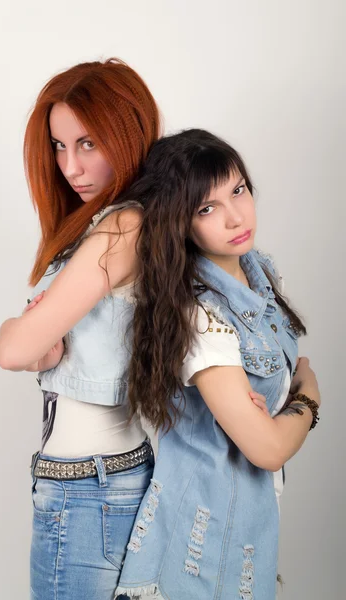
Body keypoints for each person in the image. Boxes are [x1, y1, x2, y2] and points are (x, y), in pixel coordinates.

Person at [114, 129, 321, 599]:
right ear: (179, 222)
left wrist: (272, 415)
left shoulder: (260, 272)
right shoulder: (197, 313)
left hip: (244, 544)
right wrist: (309, 393)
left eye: (238, 191)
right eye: (206, 209)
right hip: (195, 562)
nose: (234, 217)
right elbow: (267, 448)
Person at [0, 58, 161, 600]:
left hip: (87, 491)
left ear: (128, 131)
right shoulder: (117, 223)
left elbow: (13, 348)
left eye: (88, 143)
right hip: (103, 480)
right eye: (60, 146)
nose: (70, 165)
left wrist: (17, 329)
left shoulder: (122, 225)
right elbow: (49, 352)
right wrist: (42, 346)